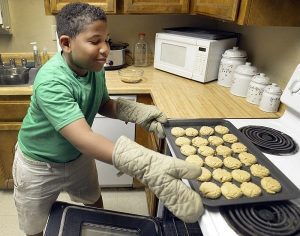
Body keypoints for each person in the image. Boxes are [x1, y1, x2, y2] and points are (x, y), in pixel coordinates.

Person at [12, 3, 204, 236]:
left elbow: (102, 103)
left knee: (94, 205)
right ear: (66, 43)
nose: (105, 49)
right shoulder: (51, 81)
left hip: (76, 158)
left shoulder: (94, 67)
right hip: (39, 165)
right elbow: (83, 138)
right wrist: (146, 164)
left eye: (106, 40)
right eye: (95, 41)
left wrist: (136, 112)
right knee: (35, 226)